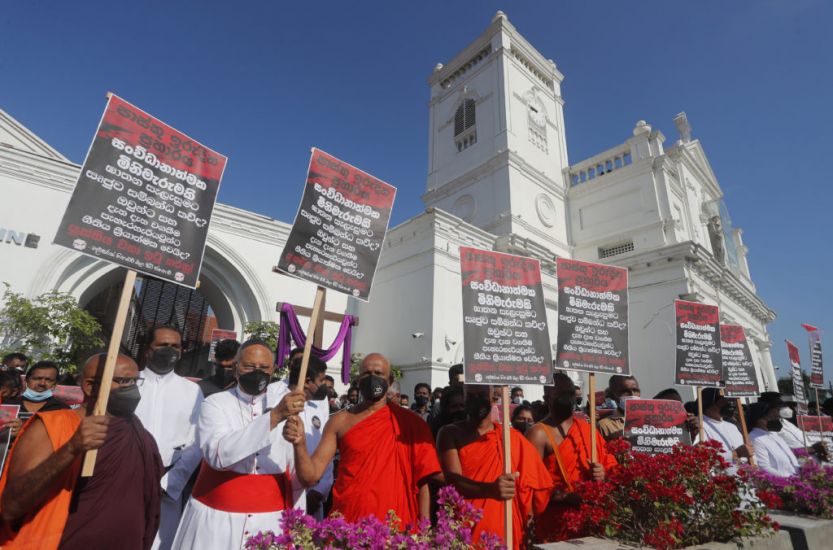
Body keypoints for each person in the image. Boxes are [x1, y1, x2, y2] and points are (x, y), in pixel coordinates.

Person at [0, 353, 163, 549]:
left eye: (136, 381)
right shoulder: (53, 426)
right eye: (123, 381)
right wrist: (72, 448)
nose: (132, 388)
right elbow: (12, 505)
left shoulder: (139, 435)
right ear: (89, 385)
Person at [173, 340, 305, 549]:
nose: (257, 372)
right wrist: (274, 416)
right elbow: (217, 455)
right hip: (217, 520)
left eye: (264, 368)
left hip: (270, 520)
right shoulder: (215, 403)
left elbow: (294, 474)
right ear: (235, 368)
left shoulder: (290, 408)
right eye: (249, 366)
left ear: (273, 371)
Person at [283, 353, 441, 526]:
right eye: (366, 373)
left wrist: (425, 528)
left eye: (379, 374)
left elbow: (423, 479)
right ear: (358, 380)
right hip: (350, 521)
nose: (372, 378)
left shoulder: (411, 424)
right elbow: (310, 477)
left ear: (389, 381)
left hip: (397, 525)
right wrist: (299, 443)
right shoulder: (339, 421)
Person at [437, 385, 552, 549]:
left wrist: (530, 535)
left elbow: (532, 489)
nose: (477, 400)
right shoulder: (450, 433)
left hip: (508, 527)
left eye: (482, 395)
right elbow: (453, 481)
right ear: (464, 398)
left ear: (493, 398)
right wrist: (490, 490)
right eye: (471, 396)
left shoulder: (511, 438)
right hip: (467, 528)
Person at [526, 373, 618, 543]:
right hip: (554, 523)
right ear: (547, 398)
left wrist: (603, 472)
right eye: (559, 394)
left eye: (569, 393)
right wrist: (567, 498)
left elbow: (610, 463)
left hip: (590, 519)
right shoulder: (538, 433)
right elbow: (531, 487)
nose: (566, 399)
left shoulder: (588, 430)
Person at [135, 325, 203, 550]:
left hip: (167, 485)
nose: (170, 350)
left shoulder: (192, 391)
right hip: (126, 479)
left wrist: (172, 481)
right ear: (147, 349)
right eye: (163, 345)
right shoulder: (128, 383)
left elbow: (197, 441)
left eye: (175, 346)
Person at [270, 355, 333, 519]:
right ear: (307, 382)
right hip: (280, 492)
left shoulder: (317, 409)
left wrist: (319, 491)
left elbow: (326, 452)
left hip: (312, 497)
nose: (323, 386)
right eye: (321, 380)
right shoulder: (275, 404)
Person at [759, 392, 829, 461]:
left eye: (781, 407)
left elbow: (804, 442)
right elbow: (778, 452)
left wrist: (819, 450)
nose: (781, 410)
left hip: (814, 464)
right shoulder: (767, 427)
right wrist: (811, 449)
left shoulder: (785, 422)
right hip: (799, 467)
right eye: (777, 408)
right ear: (767, 409)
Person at [695, 388, 752, 466]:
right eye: (724, 399)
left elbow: (746, 456)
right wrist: (736, 453)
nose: (729, 402)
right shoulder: (698, 426)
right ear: (710, 402)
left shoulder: (732, 427)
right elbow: (702, 457)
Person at [747, 399, 799, 477]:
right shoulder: (754, 438)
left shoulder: (774, 435)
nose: (777, 420)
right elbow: (764, 468)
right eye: (773, 417)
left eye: (778, 417)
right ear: (759, 418)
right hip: (783, 484)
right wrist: (790, 480)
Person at [597, 375, 640, 440]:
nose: (632, 394)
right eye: (625, 391)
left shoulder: (651, 421)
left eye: (635, 390)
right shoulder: (604, 425)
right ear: (613, 395)